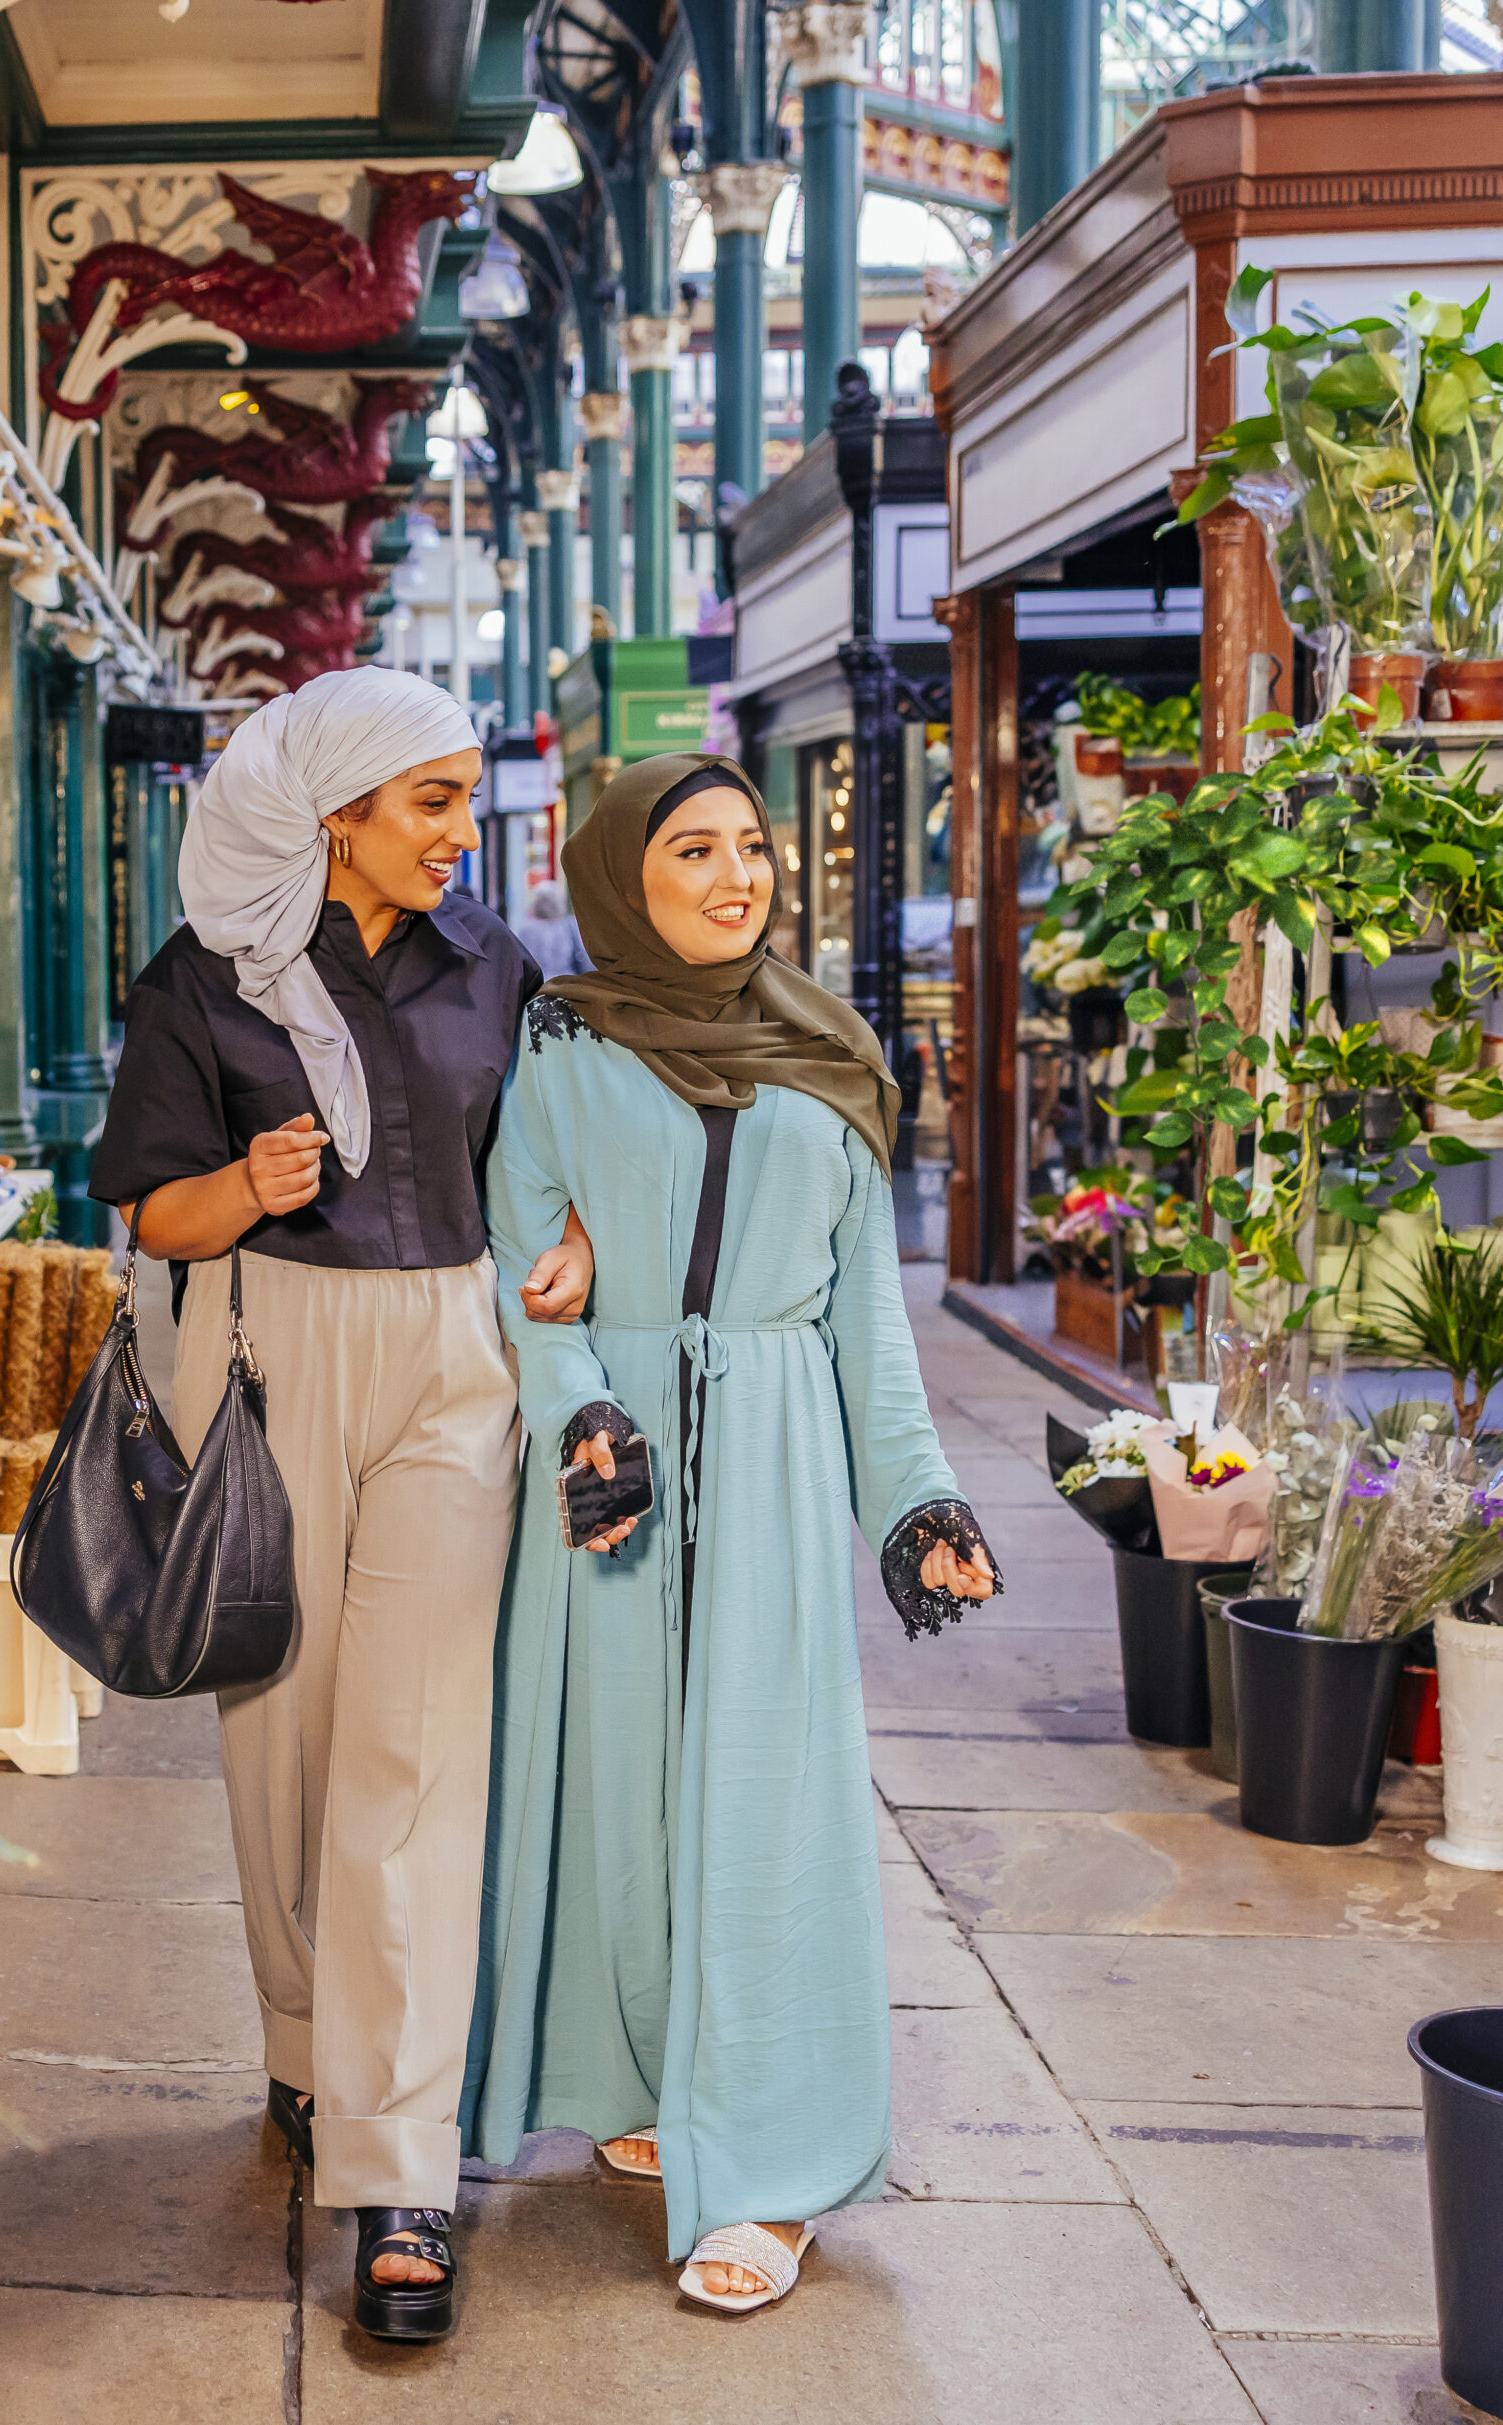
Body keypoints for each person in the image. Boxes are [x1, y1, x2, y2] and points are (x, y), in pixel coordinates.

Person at [89, 667, 595, 2346]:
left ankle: (400, 2172)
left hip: (458, 1355)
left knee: (416, 1756)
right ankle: (307, 2048)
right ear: (336, 818)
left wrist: (573, 1238)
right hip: (268, 1352)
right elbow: (155, 1217)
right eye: (432, 801)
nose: (465, 829)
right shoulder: (202, 982)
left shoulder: (502, 970)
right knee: (283, 1743)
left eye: (464, 798)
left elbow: (549, 1162)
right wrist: (242, 1185)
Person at [467, 752, 1000, 2316]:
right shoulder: (563, 1041)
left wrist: (914, 1503)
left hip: (768, 1463)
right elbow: (523, 1261)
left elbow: (865, 1322)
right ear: (622, 873)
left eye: (753, 847)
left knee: (764, 1814)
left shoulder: (827, 1050)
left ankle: (766, 2170)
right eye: (692, 849)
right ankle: (649, 2080)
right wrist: (578, 1405)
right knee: (622, 1805)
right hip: (614, 1470)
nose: (733, 875)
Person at [511, 876, 590, 977]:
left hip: (539, 985)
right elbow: (583, 958)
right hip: (567, 983)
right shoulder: (570, 925)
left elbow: (522, 964)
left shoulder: (527, 930)